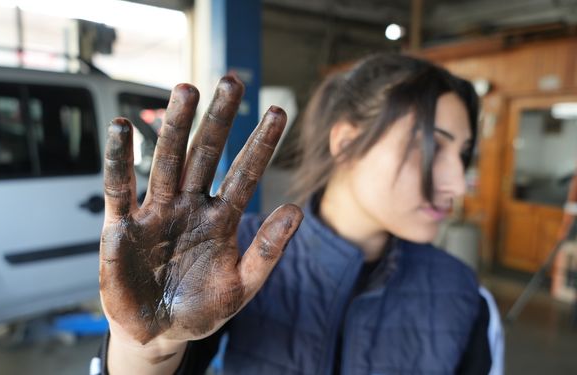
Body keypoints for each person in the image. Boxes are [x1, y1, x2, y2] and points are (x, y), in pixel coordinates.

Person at [91, 53, 504, 375]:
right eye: (432, 147)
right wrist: (146, 348)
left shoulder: (464, 295)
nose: (454, 184)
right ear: (345, 142)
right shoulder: (236, 257)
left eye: (463, 155)